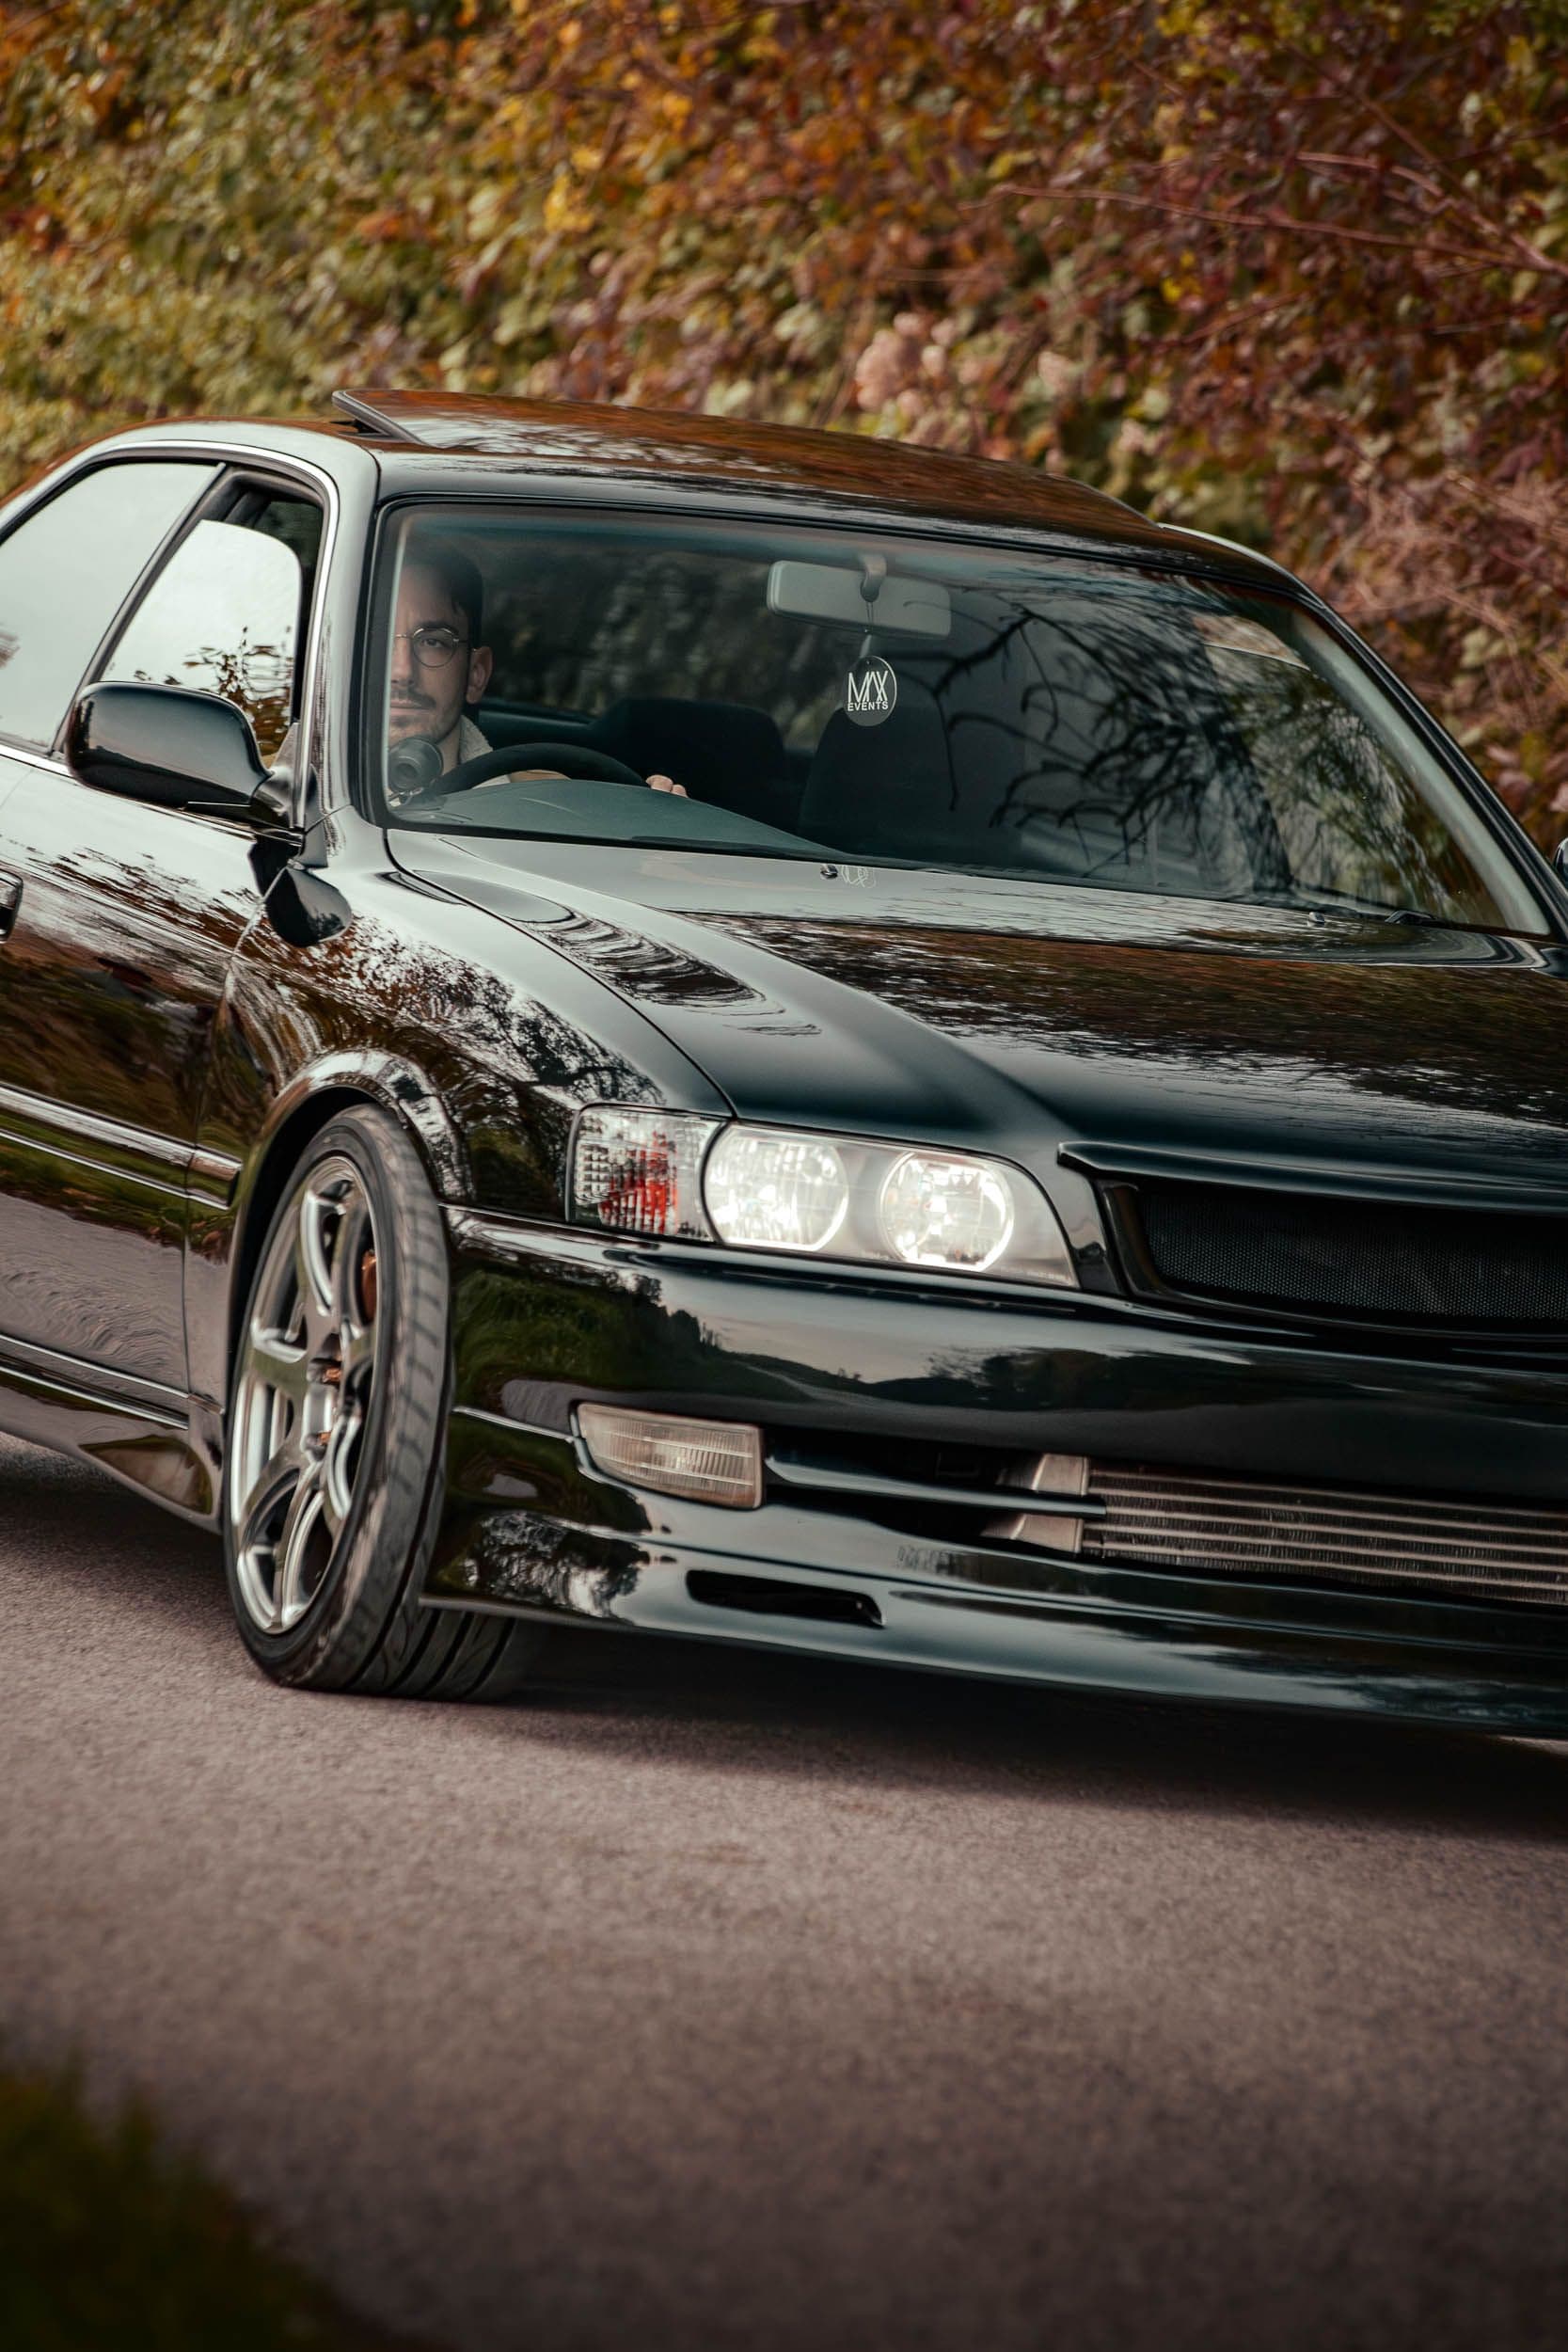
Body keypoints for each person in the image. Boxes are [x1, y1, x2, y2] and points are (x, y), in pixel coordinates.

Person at [388, 545, 685, 800]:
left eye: (432, 642)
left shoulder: (554, 806)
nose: (402, 671)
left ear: (476, 674)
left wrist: (652, 853)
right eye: (377, 639)